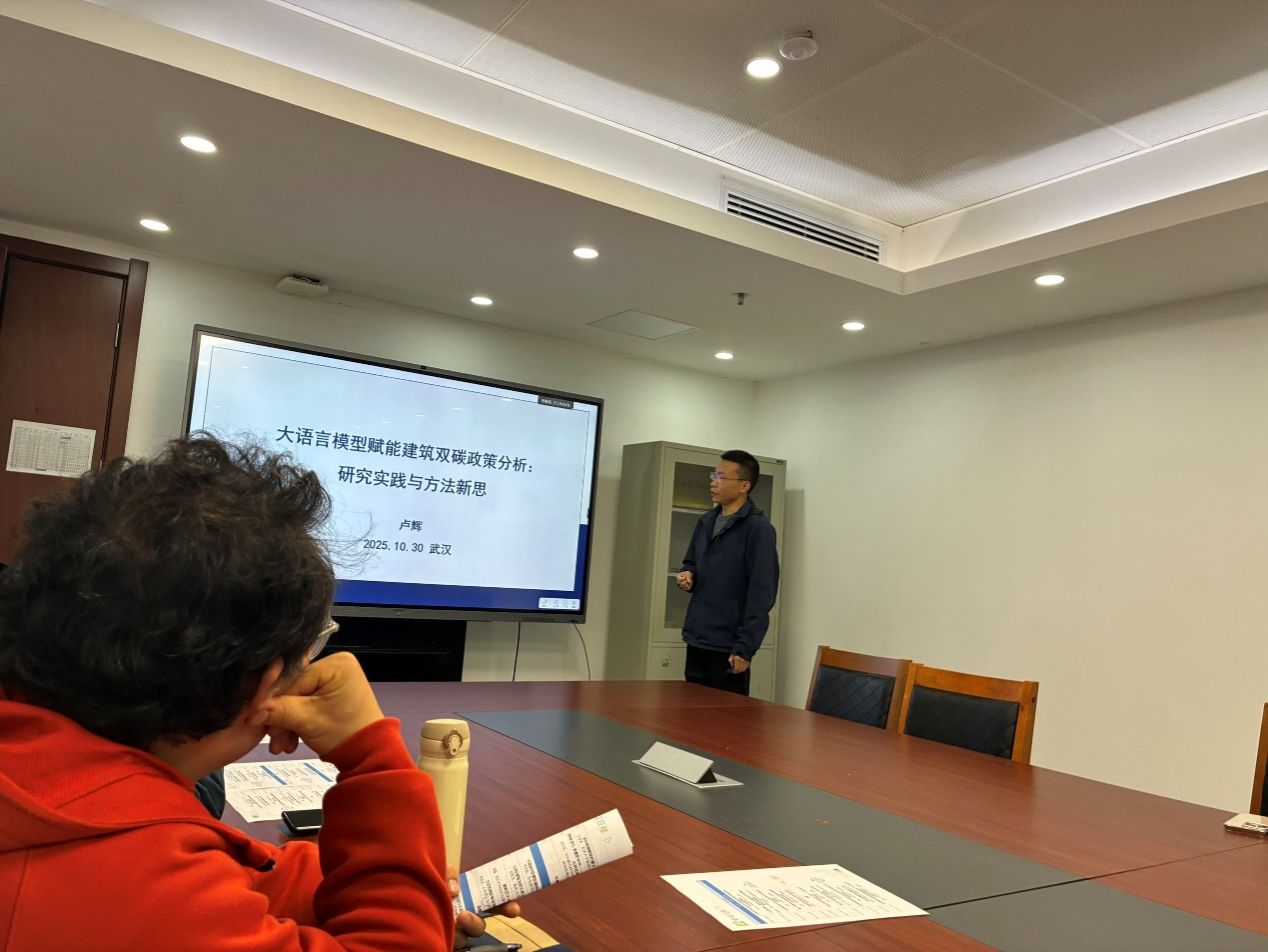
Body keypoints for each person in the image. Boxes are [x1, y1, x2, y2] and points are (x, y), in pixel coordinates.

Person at [0, 436, 512, 951]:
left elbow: (233, 873)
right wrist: (371, 757)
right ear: (264, 684)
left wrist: (401, 880)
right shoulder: (138, 881)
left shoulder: (44, 776)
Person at [675, 449, 780, 695]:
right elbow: (691, 562)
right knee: (690, 712)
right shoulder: (706, 521)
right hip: (698, 637)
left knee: (725, 716)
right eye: (713, 475)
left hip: (729, 646)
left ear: (744, 486)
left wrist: (745, 648)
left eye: (721, 477)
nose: (713, 482)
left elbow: (762, 593)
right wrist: (687, 574)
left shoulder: (758, 530)